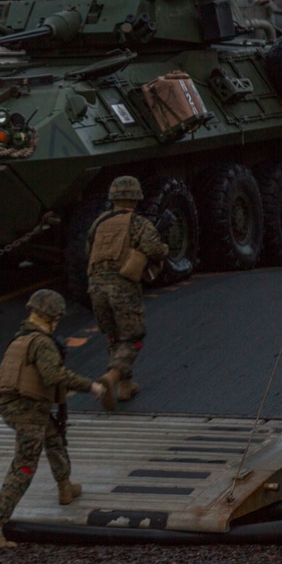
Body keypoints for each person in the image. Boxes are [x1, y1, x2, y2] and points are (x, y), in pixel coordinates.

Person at [0, 289, 106, 549]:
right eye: (57, 317)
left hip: (19, 404)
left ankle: (65, 486)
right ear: (51, 317)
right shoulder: (42, 343)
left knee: (53, 438)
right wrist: (90, 386)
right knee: (24, 466)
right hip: (26, 409)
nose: (57, 322)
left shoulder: (20, 339)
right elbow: (54, 376)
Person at [85, 175, 169, 410]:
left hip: (96, 286)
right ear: (136, 198)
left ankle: (125, 385)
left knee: (114, 336)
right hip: (122, 287)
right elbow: (154, 248)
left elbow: (87, 251)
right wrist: (164, 249)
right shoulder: (138, 223)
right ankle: (111, 377)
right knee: (133, 338)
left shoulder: (98, 223)